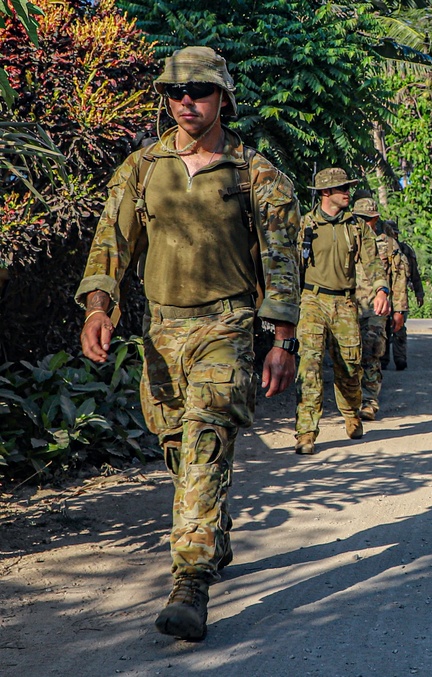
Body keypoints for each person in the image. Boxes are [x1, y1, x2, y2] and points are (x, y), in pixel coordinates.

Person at [76, 46, 300, 641]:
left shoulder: (257, 175)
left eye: (198, 91)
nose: (185, 102)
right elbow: (110, 245)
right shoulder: (142, 169)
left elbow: (280, 262)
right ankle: (213, 537)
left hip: (226, 328)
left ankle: (190, 583)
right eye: (174, 93)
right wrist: (99, 307)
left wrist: (283, 338)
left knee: (204, 444)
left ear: (223, 97)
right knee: (181, 452)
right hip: (161, 330)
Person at [294, 169, 391, 453]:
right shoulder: (306, 226)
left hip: (345, 303)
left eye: (348, 187)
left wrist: (381, 289)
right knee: (309, 366)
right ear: (325, 193)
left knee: (350, 365)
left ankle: (351, 414)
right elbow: (289, 267)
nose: (348, 192)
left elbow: (372, 262)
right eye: (341, 188)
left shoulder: (356, 226)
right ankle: (306, 432)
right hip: (312, 301)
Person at [354, 198, 408, 420]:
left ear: (375, 219)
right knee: (349, 355)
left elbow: (398, 276)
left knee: (372, 350)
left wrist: (399, 310)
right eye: (360, 218)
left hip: (377, 307)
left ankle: (369, 401)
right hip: (349, 304)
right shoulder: (346, 237)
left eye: (368, 219)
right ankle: (351, 399)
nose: (364, 223)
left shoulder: (388, 243)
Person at [381, 219, 423, 370]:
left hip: (400, 295)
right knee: (383, 329)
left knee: (399, 329)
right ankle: (383, 360)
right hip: (383, 295)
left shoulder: (405, 251)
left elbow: (415, 274)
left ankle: (400, 358)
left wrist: (419, 293)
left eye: (395, 234)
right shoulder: (379, 247)